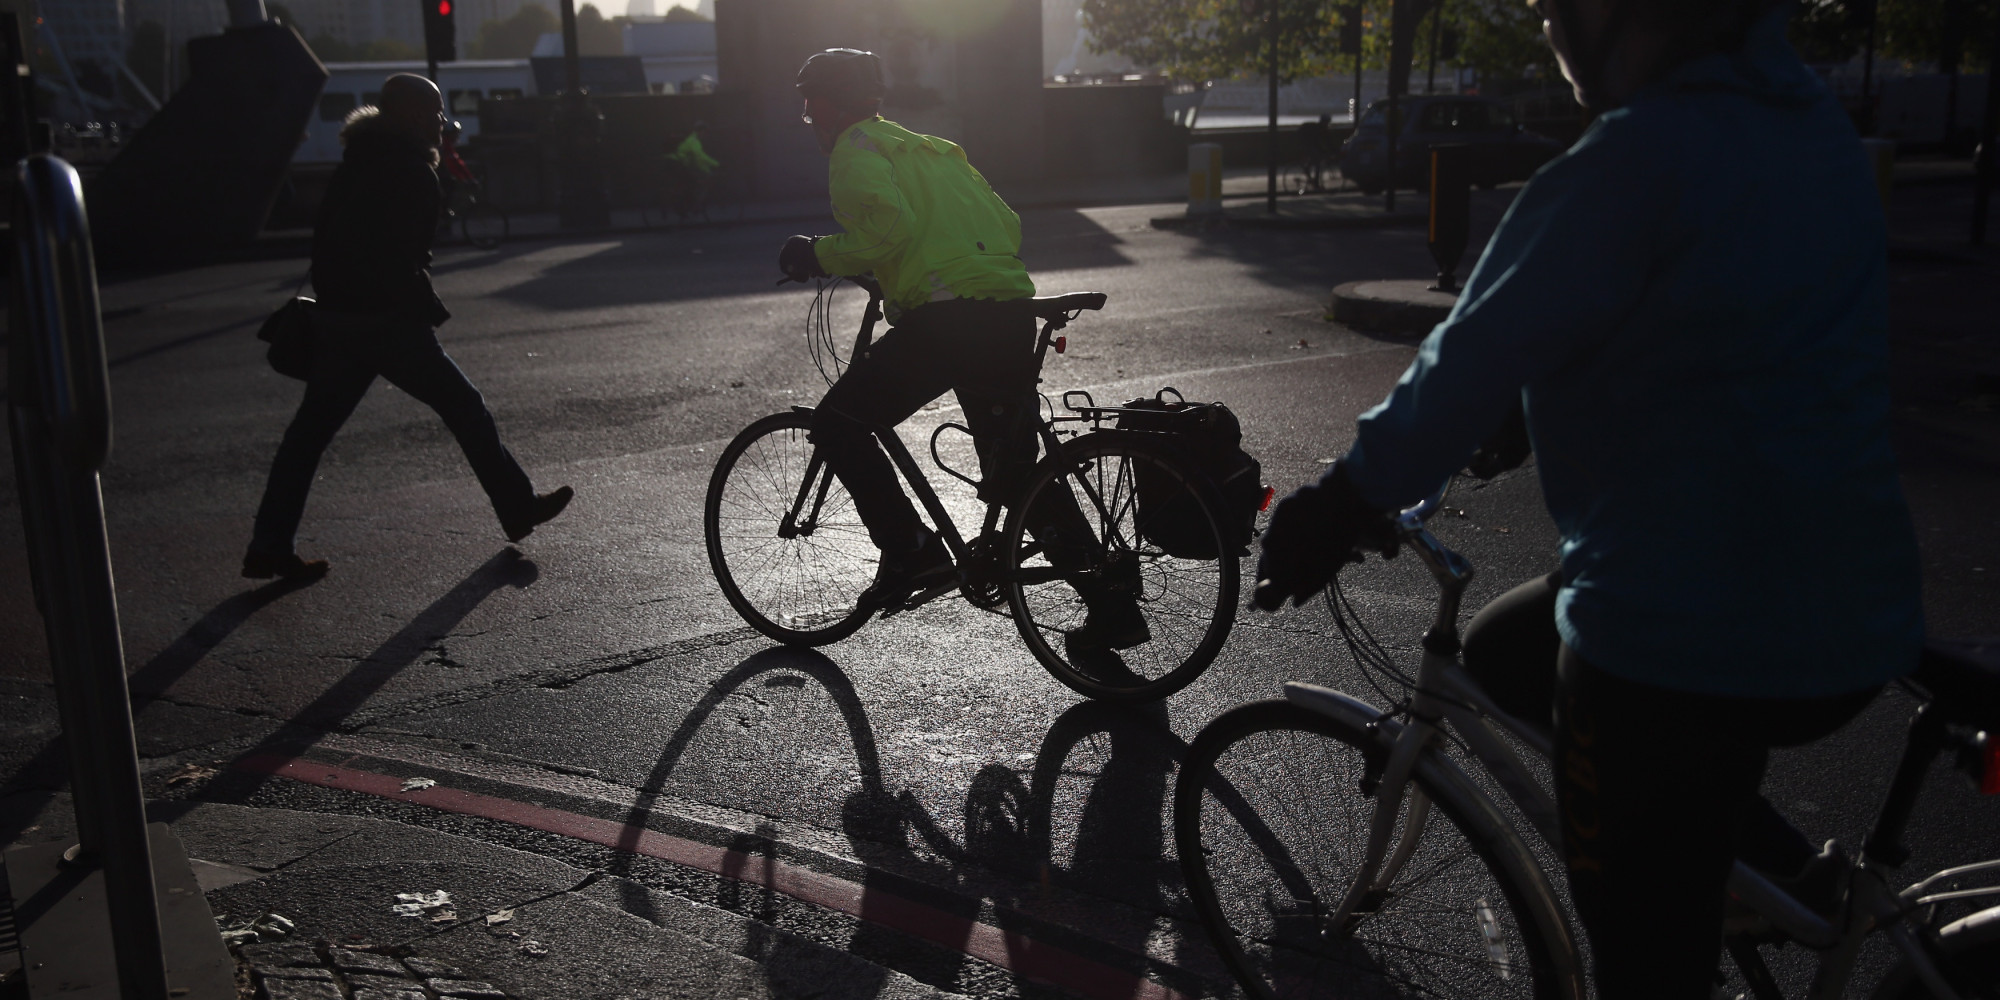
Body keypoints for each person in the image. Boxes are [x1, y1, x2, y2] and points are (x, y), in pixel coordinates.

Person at [1251, 1, 1922, 995]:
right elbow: (1724, 321)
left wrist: (1339, 505)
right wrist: (1540, 405)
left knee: (1643, 962)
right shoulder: (1810, 129)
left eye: (1554, 11)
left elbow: (1465, 361)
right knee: (1504, 651)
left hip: (1683, 629)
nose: (1549, 35)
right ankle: (1772, 873)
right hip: (1853, 597)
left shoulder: (1628, 159)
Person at [775, 48, 1146, 651]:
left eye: (810, 104)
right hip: (1006, 314)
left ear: (831, 104)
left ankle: (912, 552)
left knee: (838, 424)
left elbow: (886, 229)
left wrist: (816, 253)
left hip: (947, 323)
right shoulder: (932, 149)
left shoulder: (855, 150)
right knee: (1017, 475)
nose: (809, 117)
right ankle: (1112, 606)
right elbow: (1006, 224)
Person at [244, 74, 572, 580]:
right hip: (387, 321)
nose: (442, 123)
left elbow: (327, 237)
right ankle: (517, 505)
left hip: (338, 317)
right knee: (466, 408)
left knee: (306, 438)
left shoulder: (356, 161)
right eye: (436, 113)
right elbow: (408, 255)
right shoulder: (414, 171)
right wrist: (421, 308)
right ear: (417, 116)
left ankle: (269, 544)